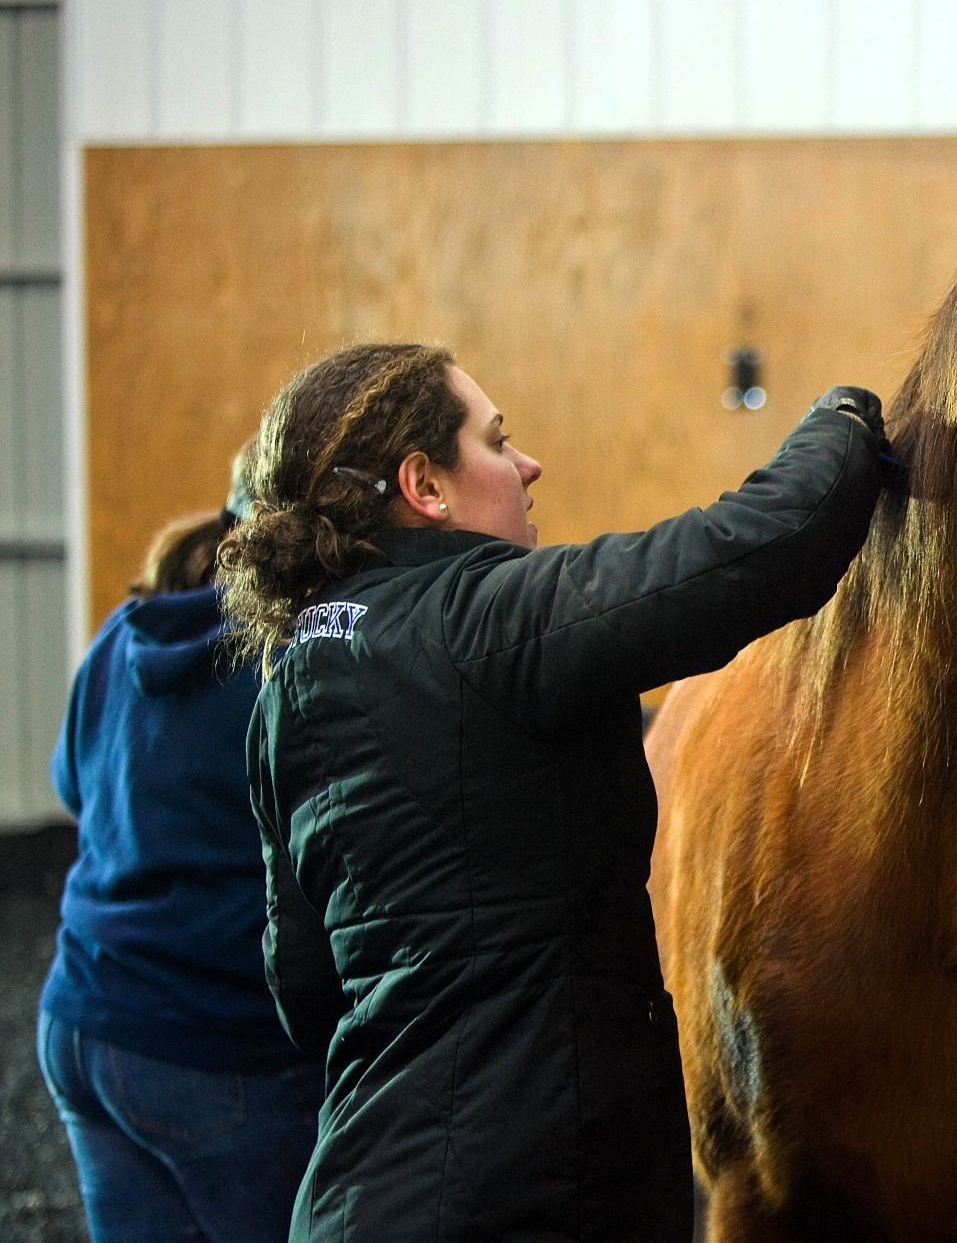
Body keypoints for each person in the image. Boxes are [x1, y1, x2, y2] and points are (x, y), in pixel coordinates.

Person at [218, 341, 888, 1241]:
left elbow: (305, 988)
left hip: (358, 1197)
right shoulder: (486, 622)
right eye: (498, 442)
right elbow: (755, 549)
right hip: (525, 1196)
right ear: (426, 484)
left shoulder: (287, 683)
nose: (528, 465)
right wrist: (846, 418)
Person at [38, 452, 324, 1243]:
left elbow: (73, 783)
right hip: (213, 1046)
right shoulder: (282, 662)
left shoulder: (119, 635)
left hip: (82, 1018)